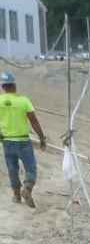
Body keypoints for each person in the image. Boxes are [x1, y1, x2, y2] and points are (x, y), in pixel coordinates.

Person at [0, 72, 46, 207]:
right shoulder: (23, 101)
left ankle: (16, 196)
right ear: (14, 85)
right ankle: (27, 187)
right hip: (23, 141)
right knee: (31, 166)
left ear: (3, 87)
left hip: (8, 141)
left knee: (12, 168)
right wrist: (41, 137)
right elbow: (34, 121)